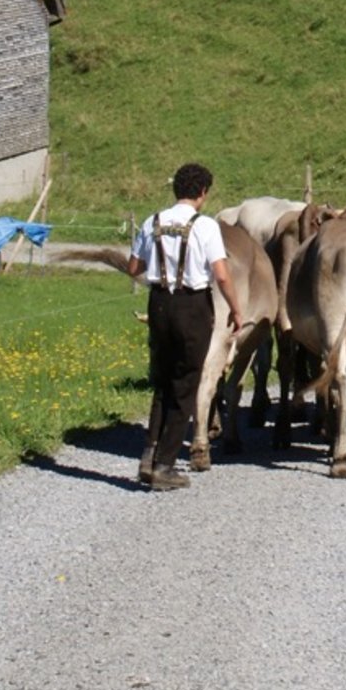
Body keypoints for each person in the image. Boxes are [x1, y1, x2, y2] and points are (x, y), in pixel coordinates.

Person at [126, 163, 244, 491]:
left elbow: (133, 267)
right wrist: (236, 309)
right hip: (192, 306)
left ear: (176, 189)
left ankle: (149, 456)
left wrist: (160, 263)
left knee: (163, 381)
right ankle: (165, 465)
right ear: (203, 192)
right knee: (185, 384)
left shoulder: (152, 221)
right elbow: (221, 275)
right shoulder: (205, 226)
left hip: (159, 303)